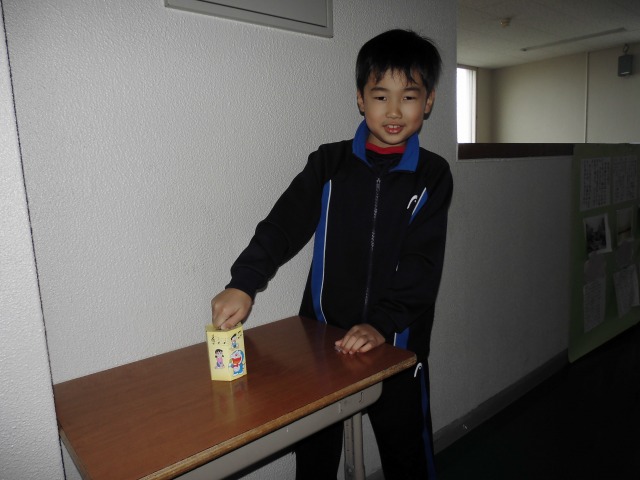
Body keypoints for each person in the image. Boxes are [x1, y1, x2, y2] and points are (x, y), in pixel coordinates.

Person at [211, 28, 453, 480]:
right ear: (361, 99)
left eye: (409, 96)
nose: (394, 110)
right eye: (380, 96)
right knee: (315, 459)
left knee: (408, 456)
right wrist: (243, 282)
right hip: (322, 341)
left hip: (397, 344)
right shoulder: (329, 163)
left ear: (429, 102)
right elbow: (283, 225)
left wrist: (381, 324)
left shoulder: (432, 174)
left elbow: (422, 264)